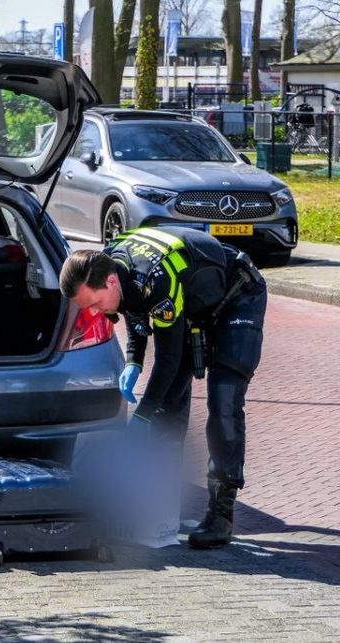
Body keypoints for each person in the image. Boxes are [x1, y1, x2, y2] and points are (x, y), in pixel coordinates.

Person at [59, 227, 267, 549]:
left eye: (96, 303)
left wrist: (141, 415)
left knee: (224, 400)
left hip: (236, 295)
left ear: (109, 281)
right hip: (192, 304)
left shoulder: (157, 279)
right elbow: (134, 309)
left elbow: (169, 359)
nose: (96, 312)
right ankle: (161, 503)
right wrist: (134, 360)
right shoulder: (111, 263)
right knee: (167, 403)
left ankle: (220, 515)